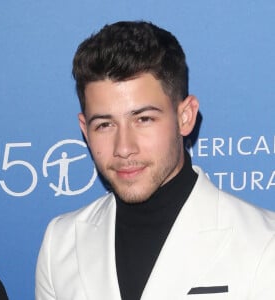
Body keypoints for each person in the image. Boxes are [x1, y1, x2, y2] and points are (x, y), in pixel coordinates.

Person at [35, 21, 275, 300]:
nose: (124, 148)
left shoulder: (264, 243)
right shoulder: (60, 243)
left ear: (185, 117)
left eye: (144, 119)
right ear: (84, 130)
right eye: (104, 124)